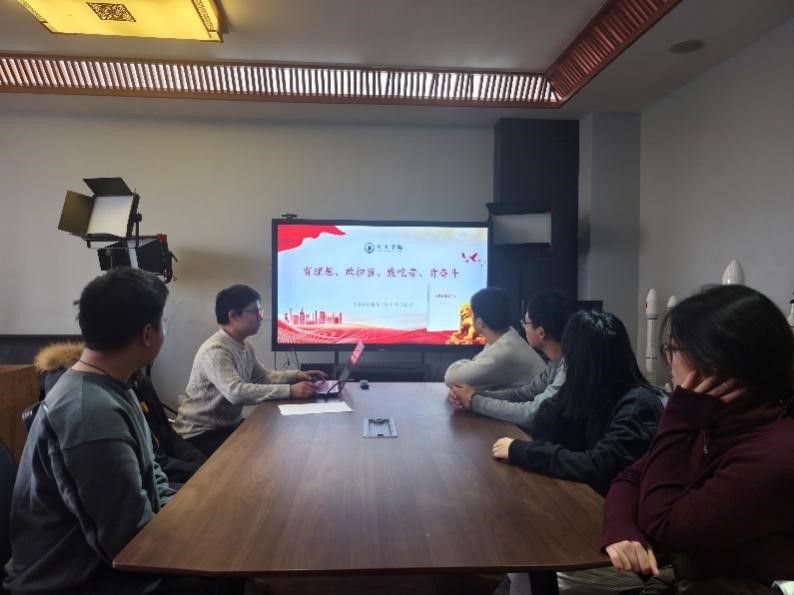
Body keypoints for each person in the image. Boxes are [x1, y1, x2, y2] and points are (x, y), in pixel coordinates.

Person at [4, 268, 220, 594]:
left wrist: (199, 514)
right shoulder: (90, 413)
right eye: (164, 322)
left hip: (108, 560)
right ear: (147, 334)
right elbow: (129, 543)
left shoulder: (115, 385)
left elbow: (153, 477)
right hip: (77, 580)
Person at [602, 285, 794, 594]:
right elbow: (631, 477)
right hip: (688, 575)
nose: (668, 362)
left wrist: (677, 418)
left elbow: (663, 526)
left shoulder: (772, 452)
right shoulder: (715, 421)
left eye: (672, 349)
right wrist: (622, 529)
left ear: (713, 364)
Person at [492, 310, 664, 595]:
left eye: (569, 357)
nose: (565, 363)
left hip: (624, 534)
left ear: (581, 359)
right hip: (592, 511)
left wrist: (522, 450)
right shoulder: (594, 391)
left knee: (529, 550)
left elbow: (598, 466)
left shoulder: (637, 402)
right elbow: (547, 421)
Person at [174, 284, 327, 456]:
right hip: (200, 435)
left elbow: (265, 377)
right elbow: (236, 392)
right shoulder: (215, 350)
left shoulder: (244, 346)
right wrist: (291, 391)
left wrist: (297, 375)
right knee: (267, 449)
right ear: (233, 315)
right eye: (256, 312)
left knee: (275, 436)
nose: (261, 317)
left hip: (226, 427)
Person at [33, 341, 207, 484]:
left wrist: (202, 464)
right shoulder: (89, 404)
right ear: (146, 334)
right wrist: (198, 473)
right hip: (150, 480)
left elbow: (167, 435)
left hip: (157, 478)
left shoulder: (137, 381)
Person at [448, 291, 573, 431]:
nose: (523, 327)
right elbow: (524, 393)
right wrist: (474, 395)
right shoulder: (555, 363)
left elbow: (532, 413)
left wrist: (474, 401)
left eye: (525, 323)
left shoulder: (569, 367)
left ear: (541, 333)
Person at [444, 287, 545, 390]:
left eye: (471, 314)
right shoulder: (508, 337)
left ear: (479, 322)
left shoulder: (502, 353)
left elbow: (450, 378)